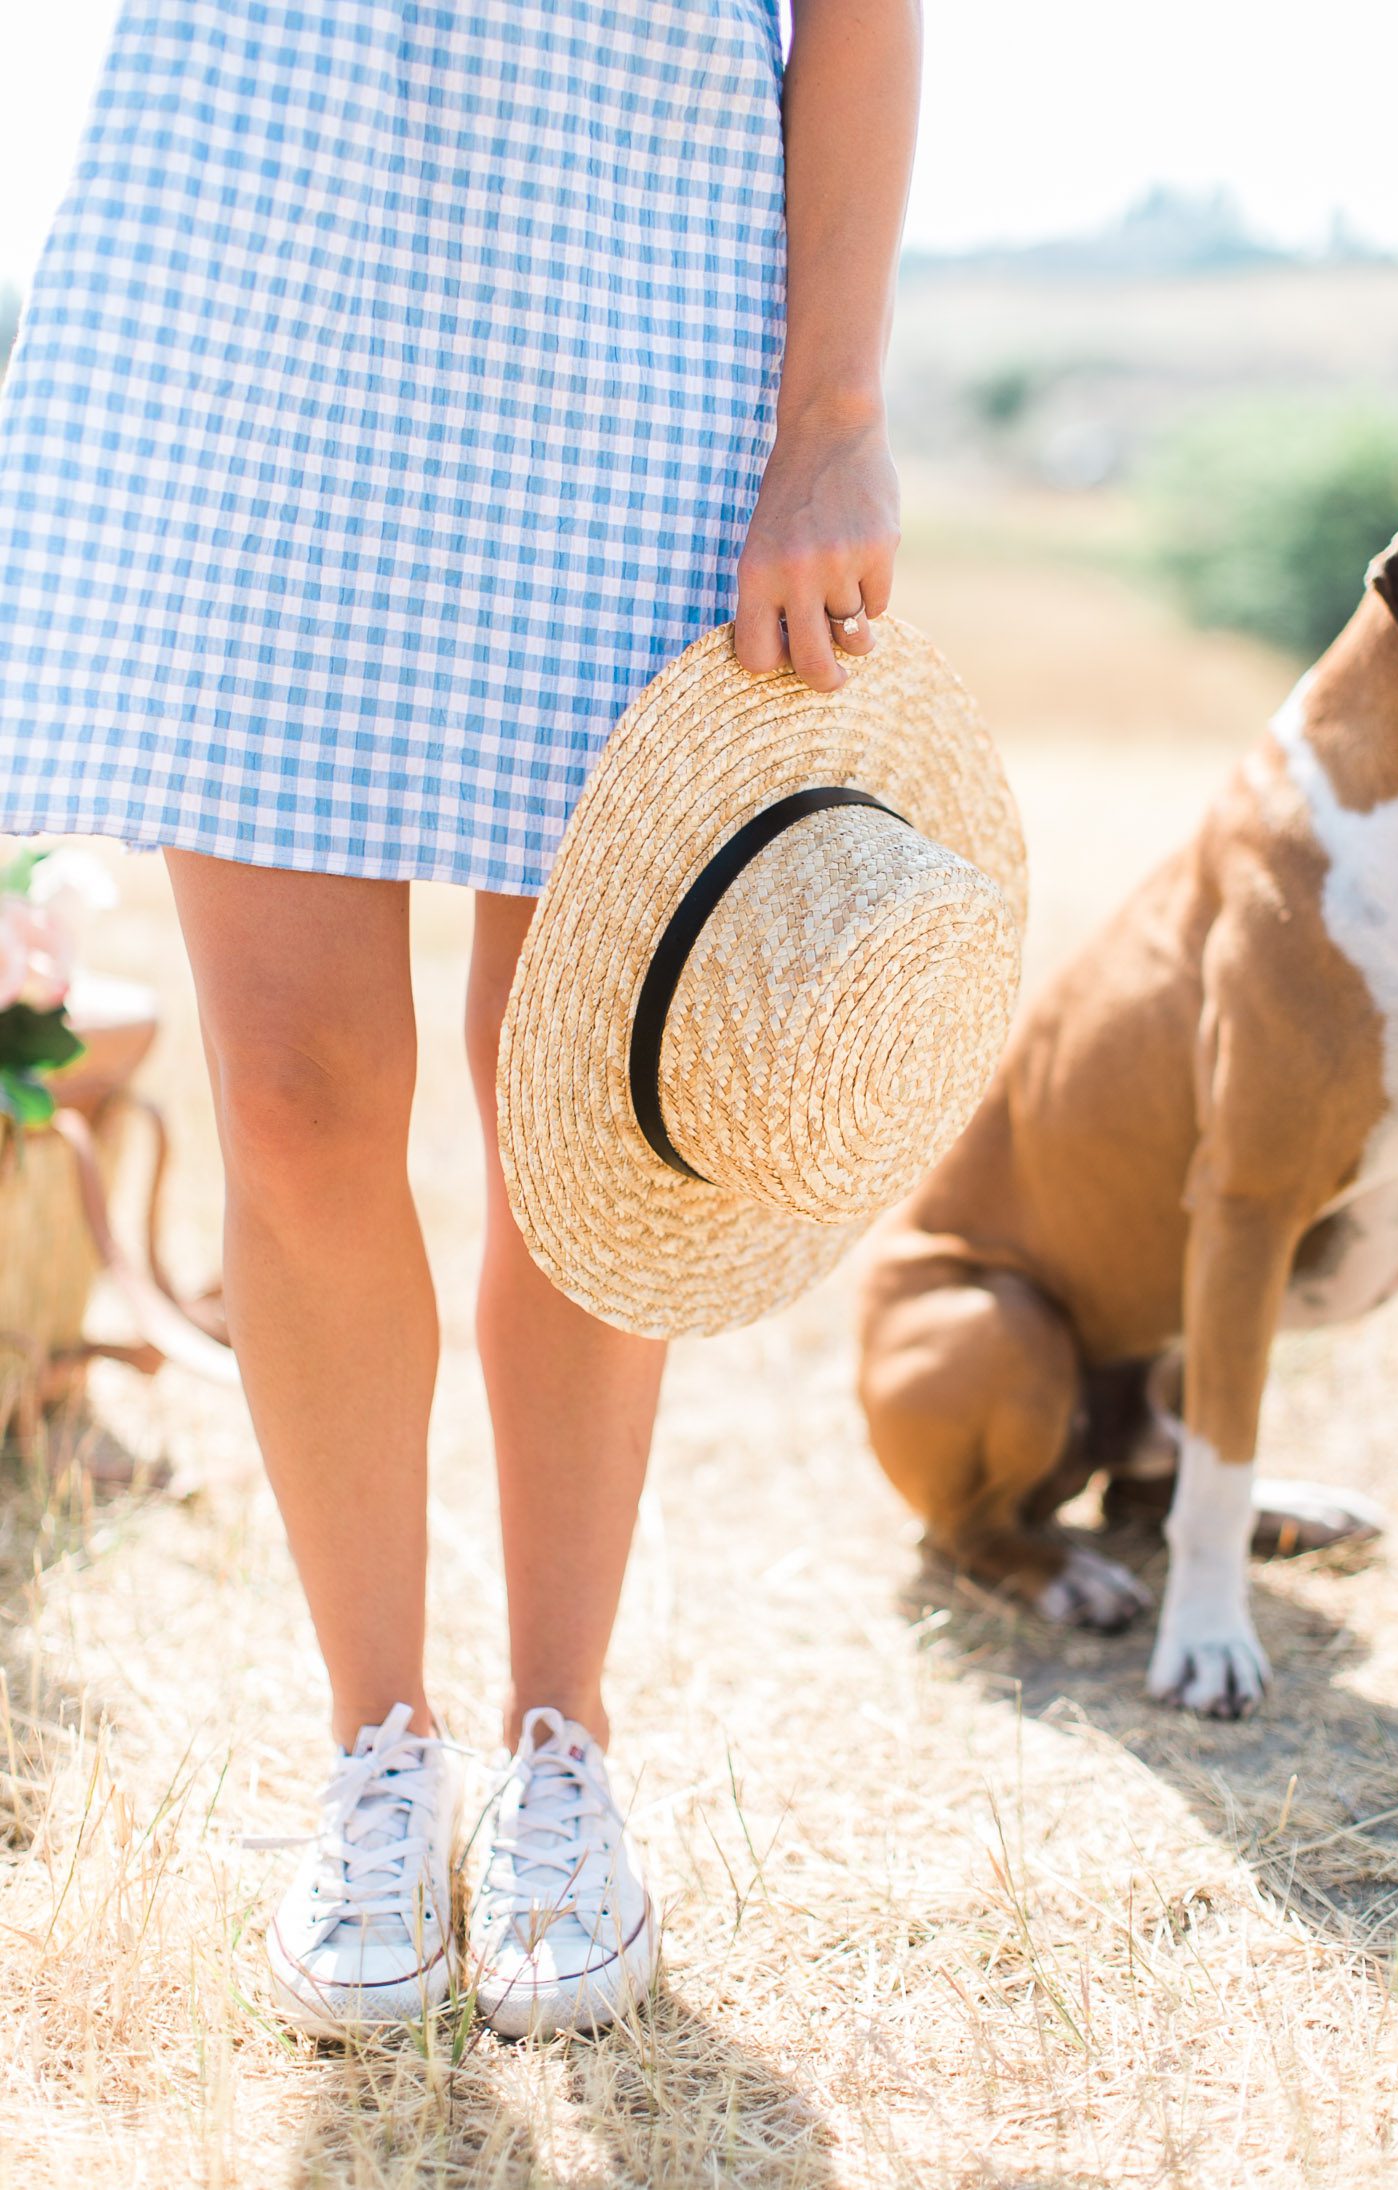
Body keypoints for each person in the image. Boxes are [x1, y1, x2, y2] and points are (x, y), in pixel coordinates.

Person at [0, 0, 919, 2036]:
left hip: (638, 293)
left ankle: (557, 1745)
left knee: (577, 1111)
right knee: (303, 1099)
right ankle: (373, 1748)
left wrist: (831, 410)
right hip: (250, 274)